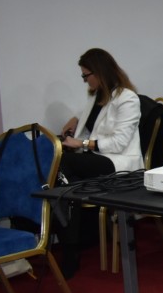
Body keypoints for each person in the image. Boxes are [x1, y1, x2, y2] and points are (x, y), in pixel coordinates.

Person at [58, 48, 144, 275]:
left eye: (86, 75)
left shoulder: (127, 98)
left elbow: (119, 143)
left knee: (64, 166)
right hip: (99, 159)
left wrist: (82, 143)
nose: (84, 80)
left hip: (120, 163)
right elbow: (87, 118)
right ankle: (76, 238)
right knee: (65, 175)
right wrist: (75, 120)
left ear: (99, 72)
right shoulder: (95, 97)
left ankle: (72, 243)